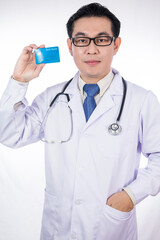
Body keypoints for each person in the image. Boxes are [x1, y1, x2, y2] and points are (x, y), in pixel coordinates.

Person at [0, 2, 160, 240]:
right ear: (70, 46)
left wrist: (131, 195)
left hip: (110, 226)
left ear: (116, 45)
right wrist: (19, 81)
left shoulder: (141, 100)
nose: (92, 49)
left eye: (102, 39)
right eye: (82, 40)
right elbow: (10, 134)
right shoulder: (51, 98)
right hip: (58, 227)